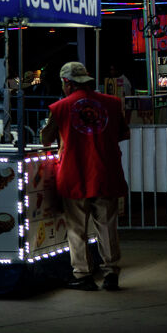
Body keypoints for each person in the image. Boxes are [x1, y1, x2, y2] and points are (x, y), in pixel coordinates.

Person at [40, 61, 128, 291]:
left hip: (74, 173)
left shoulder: (60, 107)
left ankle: (83, 276)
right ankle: (111, 274)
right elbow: (120, 133)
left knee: (76, 229)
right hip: (105, 172)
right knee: (107, 226)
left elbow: (45, 140)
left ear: (67, 83)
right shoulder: (113, 103)